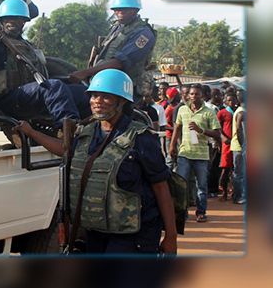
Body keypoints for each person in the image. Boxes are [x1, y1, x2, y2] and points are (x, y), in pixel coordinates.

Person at [15, 69, 177, 254]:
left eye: (106, 97)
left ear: (122, 101)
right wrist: (31, 132)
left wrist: (170, 236)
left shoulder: (141, 138)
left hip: (133, 237)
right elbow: (65, 150)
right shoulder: (87, 133)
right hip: (95, 233)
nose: (97, 102)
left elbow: (161, 188)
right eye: (94, 96)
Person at [0, 0, 80, 134]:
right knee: (53, 87)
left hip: (29, 96)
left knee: (80, 92)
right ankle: (67, 133)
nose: (13, 22)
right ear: (2, 20)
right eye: (9, 18)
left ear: (24, 22)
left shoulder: (26, 45)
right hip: (7, 100)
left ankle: (85, 131)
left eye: (19, 19)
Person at [68, 0, 157, 102]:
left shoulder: (144, 34)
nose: (118, 12)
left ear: (135, 10)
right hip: (104, 82)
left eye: (123, 9)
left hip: (124, 88)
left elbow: (121, 61)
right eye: (116, 9)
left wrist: (85, 72)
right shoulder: (117, 27)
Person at [169, 84, 221, 223]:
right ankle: (181, 213)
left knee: (201, 186)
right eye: (191, 94)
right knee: (181, 185)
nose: (193, 96)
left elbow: (217, 133)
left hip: (201, 155)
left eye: (196, 94)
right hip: (184, 153)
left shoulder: (209, 112)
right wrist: (172, 145)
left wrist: (201, 130)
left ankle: (201, 212)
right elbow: (177, 128)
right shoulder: (182, 110)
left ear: (202, 95)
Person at [217, 94, 237, 201]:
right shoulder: (222, 112)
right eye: (228, 100)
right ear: (225, 101)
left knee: (236, 168)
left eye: (232, 100)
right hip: (227, 144)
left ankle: (234, 191)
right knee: (226, 168)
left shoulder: (238, 111)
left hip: (236, 143)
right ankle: (224, 192)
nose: (231, 102)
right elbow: (217, 128)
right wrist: (223, 138)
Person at [230, 90, 246, 204]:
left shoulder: (241, 111)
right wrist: (243, 145)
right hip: (239, 147)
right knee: (239, 173)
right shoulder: (242, 112)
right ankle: (238, 196)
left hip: (240, 146)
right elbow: (240, 130)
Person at [164, 87, 180, 171]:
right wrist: (177, 129)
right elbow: (164, 126)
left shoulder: (179, 107)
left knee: (178, 160)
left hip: (178, 137)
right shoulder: (169, 109)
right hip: (170, 137)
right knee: (170, 159)